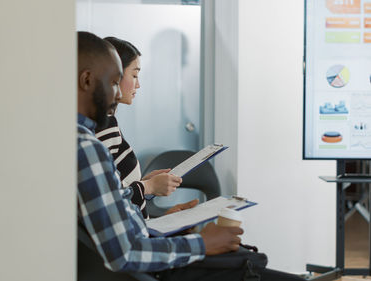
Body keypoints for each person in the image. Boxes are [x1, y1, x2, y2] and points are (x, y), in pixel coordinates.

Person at [76, 31, 304, 280]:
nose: (118, 94)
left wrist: (161, 227)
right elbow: (124, 252)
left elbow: (113, 217)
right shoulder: (87, 147)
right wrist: (202, 244)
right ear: (87, 80)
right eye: (113, 82)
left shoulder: (71, 141)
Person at [95, 36, 181, 218]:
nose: (138, 84)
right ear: (113, 75)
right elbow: (108, 201)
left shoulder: (107, 122)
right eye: (134, 75)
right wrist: (148, 186)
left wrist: (145, 184)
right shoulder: (104, 125)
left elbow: (117, 186)